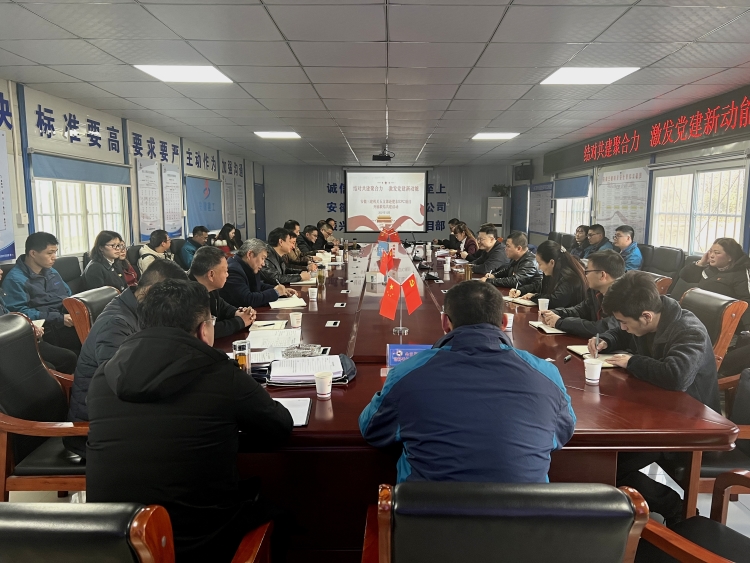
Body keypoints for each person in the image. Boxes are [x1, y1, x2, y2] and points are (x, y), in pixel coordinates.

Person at [86, 279, 293, 562]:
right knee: (280, 513)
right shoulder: (222, 375)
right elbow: (280, 426)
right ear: (203, 330)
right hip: (200, 544)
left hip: (115, 545)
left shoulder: (104, 376)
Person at [359, 280, 575, 483]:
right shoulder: (547, 375)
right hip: (525, 511)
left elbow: (372, 429)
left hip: (427, 510)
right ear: (504, 322)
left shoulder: (406, 374)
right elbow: (562, 431)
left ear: (445, 322)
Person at [587, 270, 720, 524]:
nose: (622, 326)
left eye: (624, 321)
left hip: (687, 425)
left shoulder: (689, 330)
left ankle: (674, 508)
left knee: (606, 466)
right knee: (600, 459)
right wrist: (606, 340)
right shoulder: (649, 317)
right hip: (658, 413)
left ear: (646, 316)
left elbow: (676, 376)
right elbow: (623, 333)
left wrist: (632, 361)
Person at [65, 260, 188, 457]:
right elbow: (119, 385)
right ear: (150, 292)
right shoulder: (116, 324)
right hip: (95, 431)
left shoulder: (140, 311)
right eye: (171, 299)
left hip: (122, 416)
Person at [3, 232, 80, 353]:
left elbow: (67, 293)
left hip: (65, 319)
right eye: (50, 253)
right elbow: (19, 313)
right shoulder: (15, 280)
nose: (54, 257)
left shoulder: (52, 272)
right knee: (89, 343)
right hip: (47, 328)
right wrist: (59, 318)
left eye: (55, 252)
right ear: (33, 253)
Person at [0, 268, 77, 373]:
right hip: (14, 343)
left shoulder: (53, 272)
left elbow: (10, 316)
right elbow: (16, 312)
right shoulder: (15, 279)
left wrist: (30, 326)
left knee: (85, 340)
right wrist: (27, 330)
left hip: (28, 333)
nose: (1, 271)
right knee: (67, 358)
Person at [540, 249, 624, 338]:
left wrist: (559, 322)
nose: (585, 275)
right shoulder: (595, 291)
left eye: (587, 272)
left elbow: (601, 328)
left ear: (602, 275)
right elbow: (580, 310)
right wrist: (555, 313)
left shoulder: (623, 298)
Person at [677, 237, 750, 332]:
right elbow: (685, 276)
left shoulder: (740, 274)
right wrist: (701, 263)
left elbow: (746, 302)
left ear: (729, 257)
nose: (711, 255)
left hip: (722, 323)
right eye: (710, 251)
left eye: (717, 253)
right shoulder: (709, 269)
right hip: (700, 315)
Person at [189, 246, 256, 339]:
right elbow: (204, 331)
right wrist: (240, 321)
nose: (227, 275)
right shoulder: (187, 295)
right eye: (225, 271)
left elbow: (221, 305)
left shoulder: (208, 286)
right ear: (211, 274)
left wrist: (237, 313)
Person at [510, 240, 587, 309]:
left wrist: (533, 296)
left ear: (551, 262)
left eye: (540, 264)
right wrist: (520, 290)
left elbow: (555, 301)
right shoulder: (553, 272)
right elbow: (538, 286)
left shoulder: (569, 278)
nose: (539, 268)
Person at [221, 239, 297, 309]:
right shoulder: (233, 270)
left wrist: (281, 290)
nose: (263, 264)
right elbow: (247, 299)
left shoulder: (247, 265)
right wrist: (276, 292)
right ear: (250, 254)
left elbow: (258, 285)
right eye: (262, 258)